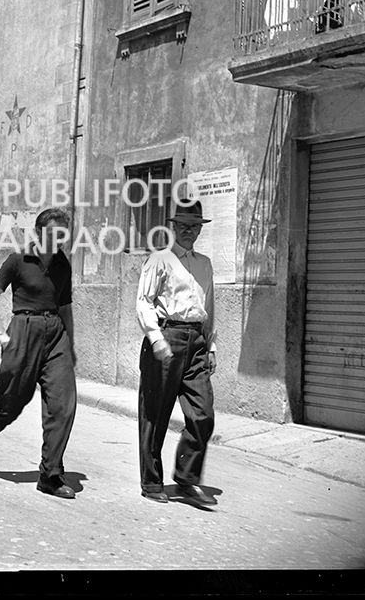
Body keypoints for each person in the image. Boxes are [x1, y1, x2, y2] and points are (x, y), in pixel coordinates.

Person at [0, 207, 78, 499]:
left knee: (63, 405)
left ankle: (50, 474)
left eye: (64, 234)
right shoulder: (17, 260)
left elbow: (65, 307)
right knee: (12, 401)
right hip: (23, 331)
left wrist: (71, 346)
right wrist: (2, 335)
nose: (61, 239)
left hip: (56, 335)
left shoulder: (63, 265)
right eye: (56, 233)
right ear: (40, 232)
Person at [135, 200, 218, 506]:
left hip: (196, 341)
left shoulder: (204, 263)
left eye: (194, 226)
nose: (189, 232)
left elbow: (209, 307)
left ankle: (186, 478)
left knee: (203, 414)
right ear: (173, 227)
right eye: (183, 226)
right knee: (155, 414)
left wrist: (210, 345)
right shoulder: (160, 259)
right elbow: (144, 301)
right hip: (166, 338)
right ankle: (152, 481)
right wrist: (156, 339)